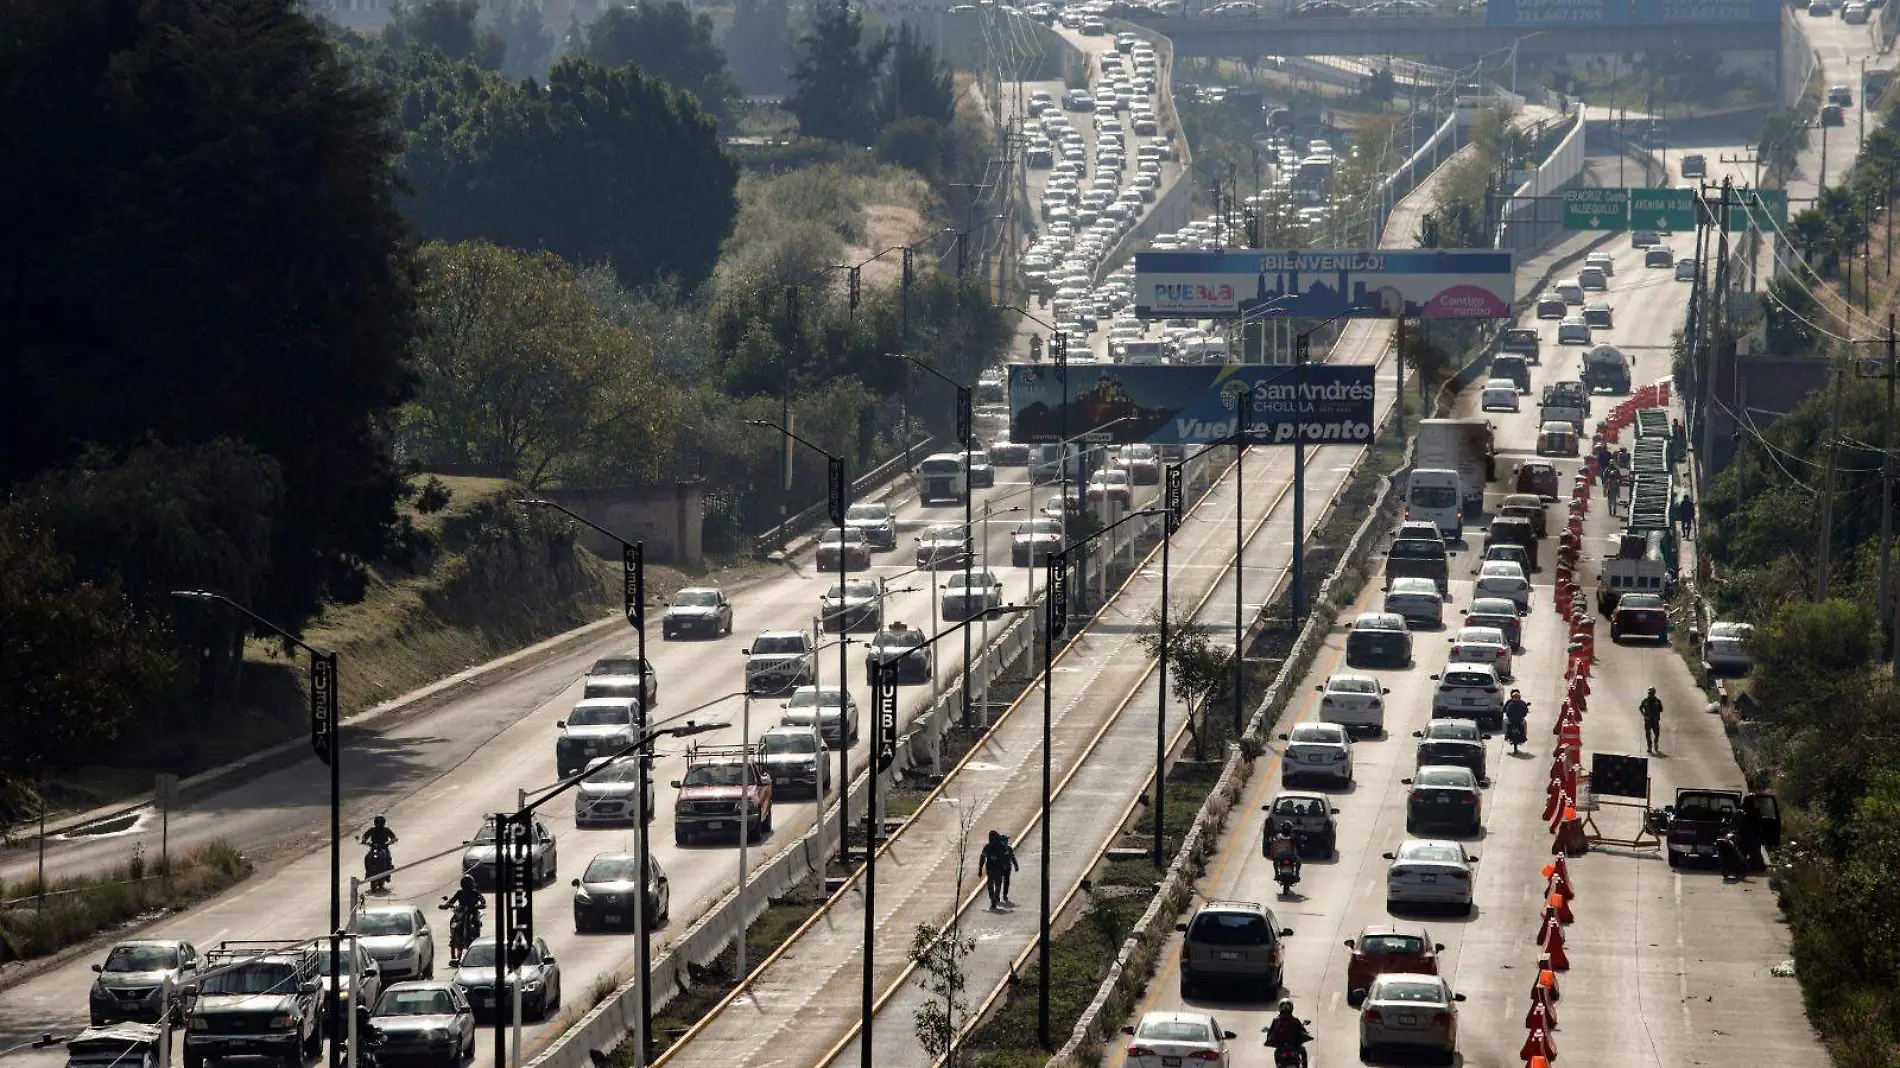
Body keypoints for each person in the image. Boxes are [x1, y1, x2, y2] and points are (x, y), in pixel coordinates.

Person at [978, 831, 1018, 909]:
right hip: (997, 869)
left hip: (992, 869)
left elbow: (982, 858)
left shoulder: (987, 847)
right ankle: (995, 899)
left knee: (991, 885)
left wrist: (980, 869)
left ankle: (993, 899)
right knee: (997, 885)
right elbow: (1007, 855)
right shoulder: (998, 847)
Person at [1639, 688, 1664, 753]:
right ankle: (1649, 747)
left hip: (1655, 720)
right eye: (1649, 693)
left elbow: (1661, 709)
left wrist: (1656, 713)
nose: (1650, 694)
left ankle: (1655, 743)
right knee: (1648, 734)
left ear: (1654, 693)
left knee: (1657, 734)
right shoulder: (1645, 701)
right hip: (1648, 720)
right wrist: (1644, 715)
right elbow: (1640, 708)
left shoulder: (1657, 701)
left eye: (1651, 693)